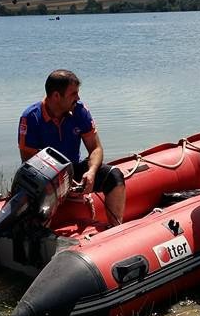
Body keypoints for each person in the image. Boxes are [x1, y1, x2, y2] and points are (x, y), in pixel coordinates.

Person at [18, 69, 125, 226]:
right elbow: (29, 162)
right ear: (56, 96)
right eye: (73, 94)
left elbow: (95, 148)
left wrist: (91, 172)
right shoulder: (31, 117)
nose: (78, 98)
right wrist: (61, 182)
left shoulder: (80, 111)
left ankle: (115, 228)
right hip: (45, 178)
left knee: (114, 176)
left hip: (73, 169)